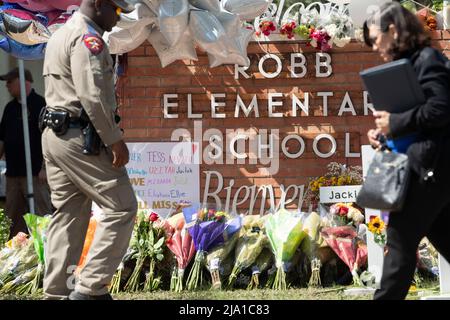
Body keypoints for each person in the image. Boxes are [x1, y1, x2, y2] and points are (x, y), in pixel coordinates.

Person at [42, 0, 137, 300]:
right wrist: (114, 139)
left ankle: (57, 293)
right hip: (80, 137)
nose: (118, 16)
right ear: (97, 3)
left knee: (68, 213)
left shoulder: (58, 34)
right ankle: (90, 289)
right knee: (121, 206)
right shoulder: (89, 39)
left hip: (54, 134)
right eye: (116, 9)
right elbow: (92, 95)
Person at [364, 2, 450, 300]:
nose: (375, 48)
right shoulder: (407, 67)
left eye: (375, 39)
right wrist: (384, 134)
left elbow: (440, 109)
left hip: (428, 171)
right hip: (431, 170)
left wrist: (395, 122)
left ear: (393, 30)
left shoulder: (428, 59)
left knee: (398, 249)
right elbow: (416, 119)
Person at [0, 68, 52, 237]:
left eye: (10, 82)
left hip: (37, 174)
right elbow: (2, 138)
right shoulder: (10, 108)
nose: (7, 86)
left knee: (41, 215)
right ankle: (17, 253)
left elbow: (50, 138)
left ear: (24, 82)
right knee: (12, 218)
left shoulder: (40, 104)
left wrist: (45, 167)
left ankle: (45, 249)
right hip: (13, 175)